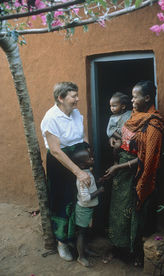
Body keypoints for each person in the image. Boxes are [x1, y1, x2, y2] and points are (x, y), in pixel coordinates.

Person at [102, 80, 164, 266]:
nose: (132, 100)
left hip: (137, 175)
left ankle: (134, 254)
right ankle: (118, 247)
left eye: (135, 96)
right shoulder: (134, 117)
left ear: (147, 98)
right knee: (118, 211)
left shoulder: (153, 126)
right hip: (121, 174)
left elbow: (146, 160)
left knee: (135, 213)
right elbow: (124, 139)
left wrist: (118, 167)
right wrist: (116, 145)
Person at [40, 82, 91, 262]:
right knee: (63, 202)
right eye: (73, 96)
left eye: (77, 95)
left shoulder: (75, 113)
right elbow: (55, 150)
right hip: (61, 163)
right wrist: (78, 171)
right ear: (61, 98)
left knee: (80, 200)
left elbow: (83, 135)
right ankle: (62, 242)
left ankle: (78, 242)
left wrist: (86, 154)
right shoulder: (51, 118)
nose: (77, 99)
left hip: (78, 159)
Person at [71, 148, 104, 267]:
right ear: (82, 164)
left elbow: (90, 187)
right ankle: (81, 257)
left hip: (88, 209)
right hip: (83, 210)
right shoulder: (82, 179)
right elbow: (85, 198)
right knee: (81, 233)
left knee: (86, 232)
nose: (92, 159)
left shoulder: (87, 173)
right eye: (89, 158)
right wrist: (99, 191)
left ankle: (85, 250)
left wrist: (98, 182)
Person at [106, 92, 131, 163]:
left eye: (114, 106)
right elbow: (111, 130)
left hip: (131, 137)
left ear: (123, 106)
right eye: (110, 106)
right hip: (120, 137)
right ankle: (116, 161)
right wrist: (121, 138)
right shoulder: (112, 118)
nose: (112, 108)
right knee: (117, 146)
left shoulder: (130, 113)